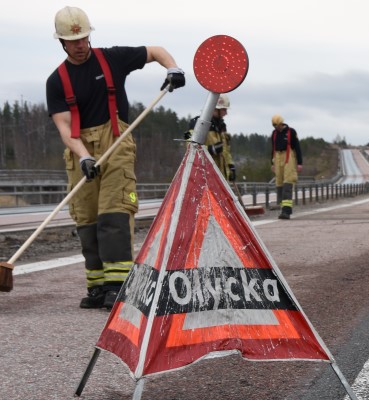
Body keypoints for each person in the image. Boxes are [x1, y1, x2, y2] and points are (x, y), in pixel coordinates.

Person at [45, 6, 185, 308]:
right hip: (80, 149)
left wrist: (172, 68)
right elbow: (64, 127)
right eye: (74, 41)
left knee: (114, 214)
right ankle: (97, 286)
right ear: (62, 43)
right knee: (86, 218)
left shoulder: (112, 59)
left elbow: (156, 51)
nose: (80, 45)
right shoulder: (56, 81)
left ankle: (118, 285)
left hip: (116, 143)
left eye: (84, 38)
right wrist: (83, 156)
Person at [186, 94, 234, 182]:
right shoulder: (198, 124)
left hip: (221, 178)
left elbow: (226, 150)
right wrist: (211, 150)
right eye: (224, 109)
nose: (226, 113)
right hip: (205, 177)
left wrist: (231, 166)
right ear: (215, 109)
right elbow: (190, 146)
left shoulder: (222, 127)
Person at [271, 114, 303, 219]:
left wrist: (299, 163)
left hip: (289, 157)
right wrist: (272, 163)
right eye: (274, 126)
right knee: (279, 184)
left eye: (277, 126)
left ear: (281, 123)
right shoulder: (274, 134)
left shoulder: (291, 132)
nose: (276, 128)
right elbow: (273, 149)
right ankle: (282, 208)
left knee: (288, 183)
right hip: (277, 158)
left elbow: (297, 147)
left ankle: (287, 210)